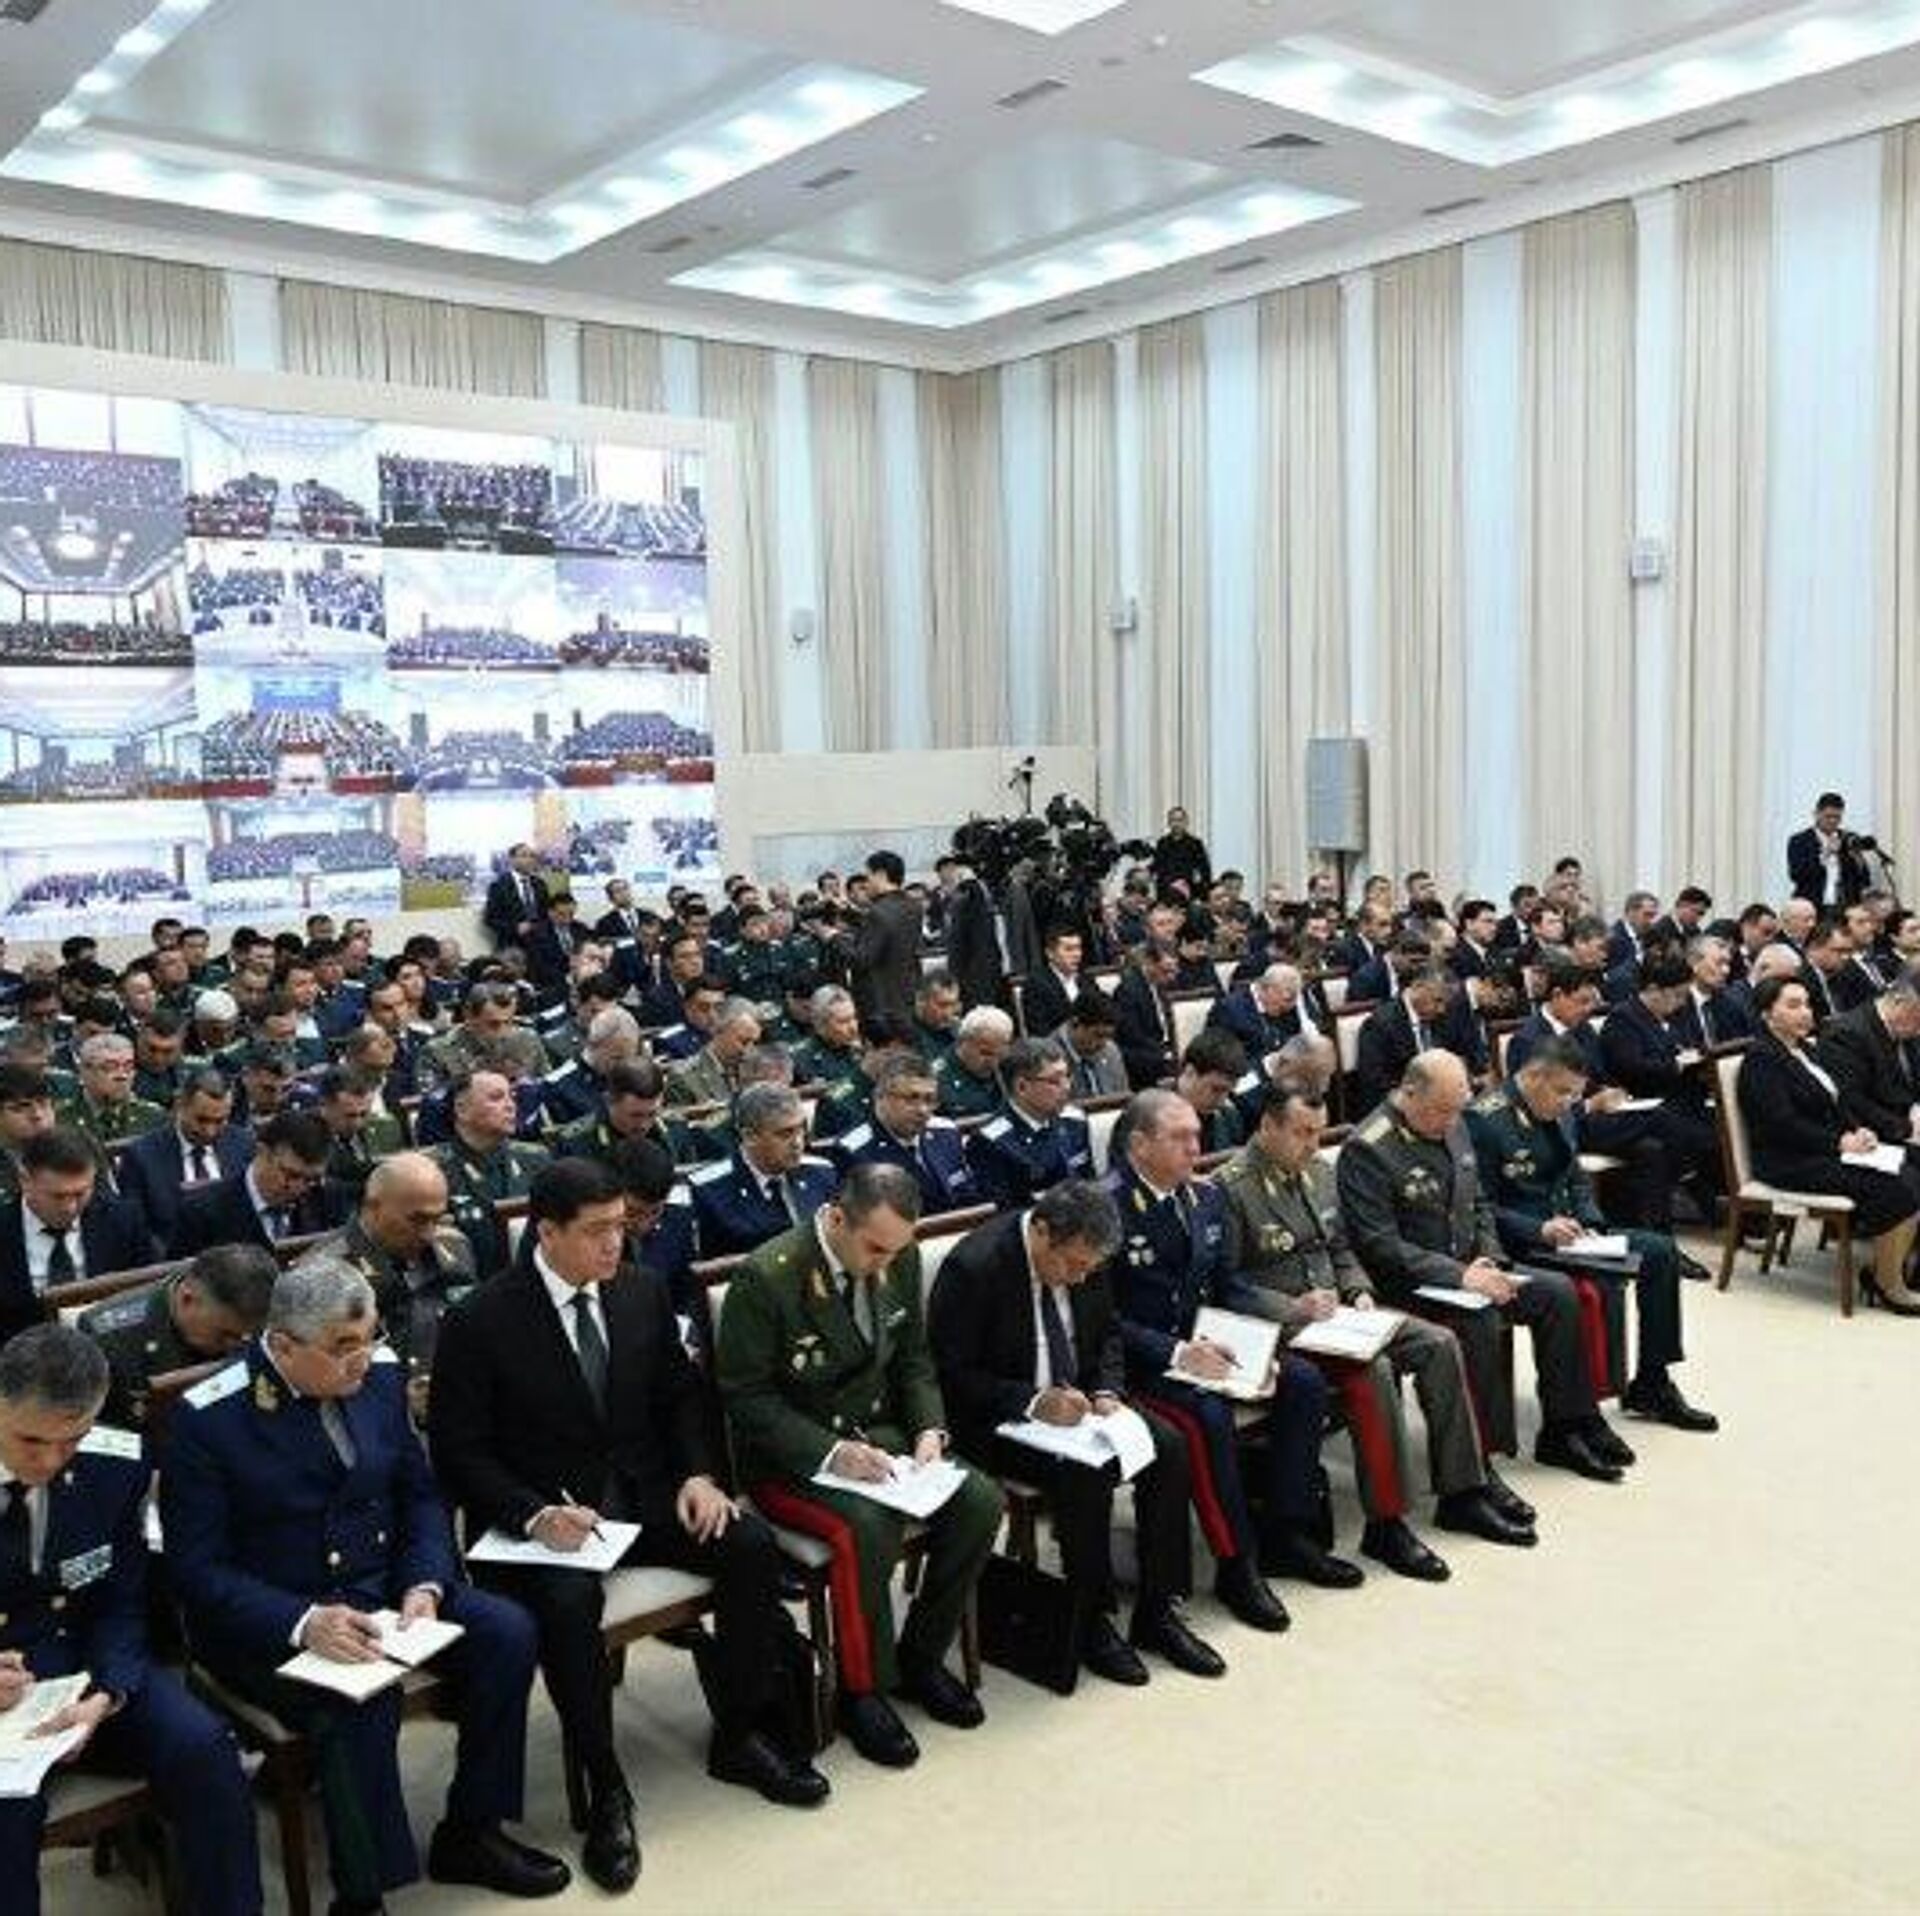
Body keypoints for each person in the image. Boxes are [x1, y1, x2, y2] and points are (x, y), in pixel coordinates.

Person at [431, 1160, 826, 1893]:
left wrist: (700, 1475)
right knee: (567, 1604)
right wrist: (533, 1513)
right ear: (547, 1233)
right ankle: (606, 1786)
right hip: (543, 1519)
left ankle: (740, 1732)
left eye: (621, 1226)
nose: (616, 1243)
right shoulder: (481, 1319)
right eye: (597, 1231)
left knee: (746, 1544)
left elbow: (681, 1399)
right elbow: (460, 1451)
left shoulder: (639, 1291)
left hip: (643, 1498)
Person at [161, 1260, 569, 1910]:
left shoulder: (378, 1375)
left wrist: (426, 1581)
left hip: (384, 1587)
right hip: (272, 1618)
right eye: (343, 1347)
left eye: (370, 1337)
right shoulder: (208, 1419)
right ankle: (362, 1895)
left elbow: (420, 1494)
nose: (363, 1358)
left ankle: (472, 1830)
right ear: (283, 1345)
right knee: (359, 1702)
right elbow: (197, 1571)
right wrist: (303, 1623)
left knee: (507, 1632)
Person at [717, 1163, 1002, 1770]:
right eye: (874, 1249)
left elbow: (913, 1357)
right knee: (864, 1527)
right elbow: (746, 1399)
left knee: (980, 1501)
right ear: (837, 1218)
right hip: (792, 1457)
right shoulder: (769, 1277)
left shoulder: (895, 1251)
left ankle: (921, 1657)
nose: (884, 1263)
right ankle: (862, 1689)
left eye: (895, 1250)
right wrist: (831, 1453)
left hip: (880, 1434)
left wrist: (928, 1430)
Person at [1217, 1084, 1531, 1577]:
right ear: (1267, 1127)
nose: (1313, 1144)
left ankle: (1463, 1492)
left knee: (1439, 1342)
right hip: (1285, 1329)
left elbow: (1340, 1248)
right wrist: (1293, 1307)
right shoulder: (1231, 1188)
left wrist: (1358, 1290)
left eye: (1318, 1133)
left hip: (1341, 1315)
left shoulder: (1318, 1173)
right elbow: (1226, 1286)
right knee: (1376, 1371)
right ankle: (1387, 1523)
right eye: (1301, 1132)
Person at [0, 1325, 261, 1916]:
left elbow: (121, 1599)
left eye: (71, 1439)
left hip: (85, 1666)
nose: (50, 1460)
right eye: (30, 1439)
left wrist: (108, 1691)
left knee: (204, 1749)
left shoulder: (117, 1464)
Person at [928, 1180, 1226, 1684]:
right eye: (1073, 1265)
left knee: (1169, 1447)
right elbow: (953, 1375)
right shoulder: (974, 1267)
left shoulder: (1086, 1254)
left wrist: (1108, 1390)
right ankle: (1091, 1616)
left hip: (1081, 1405)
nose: (1081, 1277)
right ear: (1042, 1232)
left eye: (1090, 1268)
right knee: (1086, 1473)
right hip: (1003, 1420)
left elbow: (1108, 1333)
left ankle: (1158, 1609)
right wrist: (1033, 1401)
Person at [1108, 1088, 1352, 1629]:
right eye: (1179, 1138)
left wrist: (1261, 1345)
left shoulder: (1204, 1197)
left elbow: (1228, 1288)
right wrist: (1177, 1352)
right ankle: (1236, 1562)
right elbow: (1102, 1319)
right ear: (1139, 1144)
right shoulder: (1109, 1207)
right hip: (1145, 1362)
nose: (1196, 1149)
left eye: (1197, 1136)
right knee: (1208, 1416)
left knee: (1303, 1381)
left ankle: (1287, 1530)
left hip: (1208, 1344)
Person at [1337, 1051, 1626, 1486]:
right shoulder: (1369, 1148)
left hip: (1470, 1267)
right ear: (1408, 1093)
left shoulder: (1452, 1122)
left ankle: (1565, 1428)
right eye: (1442, 1111)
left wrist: (1490, 1257)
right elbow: (1379, 1245)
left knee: (1558, 1293)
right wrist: (1460, 1275)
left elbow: (1479, 1202)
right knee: (1480, 1320)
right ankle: (1478, 1464)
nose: (1452, 1122)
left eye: (1457, 1110)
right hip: (1411, 1284)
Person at [1467, 1039, 1718, 1432]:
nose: (1570, 1102)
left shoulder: (1561, 1108)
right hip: (1522, 1242)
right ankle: (1579, 1411)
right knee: (1598, 1283)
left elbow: (1576, 1177)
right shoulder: (1484, 1120)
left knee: (1660, 1252)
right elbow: (1478, 1207)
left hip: (1570, 1234)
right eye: (1563, 1092)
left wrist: (1592, 1223)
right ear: (1533, 1077)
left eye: (1575, 1094)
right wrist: (1539, 1229)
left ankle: (1653, 1383)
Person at [1737, 975, 1920, 1311]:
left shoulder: (1805, 1049)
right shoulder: (1761, 1058)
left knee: (1911, 1164)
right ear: (1767, 1014)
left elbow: (1838, 1102)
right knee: (1896, 1186)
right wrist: (1840, 1142)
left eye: (1807, 1004)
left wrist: (1859, 1130)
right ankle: (1888, 1284)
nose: (1805, 1012)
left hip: (1821, 1149)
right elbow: (1782, 1125)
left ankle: (1890, 1268)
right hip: (1787, 1161)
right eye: (1793, 1005)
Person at [300, 1152, 478, 1401]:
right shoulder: (322, 1272)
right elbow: (314, 1375)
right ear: (373, 1207)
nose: (429, 1234)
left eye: (437, 1219)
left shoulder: (454, 1248)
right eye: (417, 1220)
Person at [79, 1241, 277, 1427]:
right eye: (226, 1334)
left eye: (249, 1335)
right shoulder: (112, 1340)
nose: (238, 1344)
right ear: (187, 1299)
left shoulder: (266, 1313)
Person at [0, 1127, 151, 1342]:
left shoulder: (123, 1222)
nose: (70, 1208)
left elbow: (147, 1299)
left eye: (80, 1193)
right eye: (57, 1196)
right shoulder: (6, 1229)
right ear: (25, 1180)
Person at [167, 1108, 346, 1257]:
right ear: (262, 1152)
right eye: (291, 1175)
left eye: (311, 1179)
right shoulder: (202, 1212)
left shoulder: (325, 1198)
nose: (298, 1188)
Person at [687, 1084, 838, 1258]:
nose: (798, 1143)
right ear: (750, 1136)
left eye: (801, 1129)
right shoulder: (706, 1189)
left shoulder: (821, 1172)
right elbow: (699, 1265)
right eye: (785, 1134)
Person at [424, 1069, 551, 1277]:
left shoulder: (537, 1157)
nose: (511, 1106)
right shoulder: (430, 1168)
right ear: (462, 1110)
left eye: (512, 1096)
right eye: (496, 1098)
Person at [114, 1066, 253, 1250]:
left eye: (220, 1121)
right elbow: (136, 1229)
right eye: (202, 1120)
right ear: (180, 1104)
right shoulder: (141, 1156)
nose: (209, 1131)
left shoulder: (242, 1144)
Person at [827, 1051, 979, 1213]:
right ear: (880, 1097)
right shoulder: (852, 1151)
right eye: (911, 1098)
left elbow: (967, 1194)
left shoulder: (945, 1132)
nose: (923, 1110)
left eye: (930, 1099)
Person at [966, 1039, 1094, 1210]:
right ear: (1022, 1087)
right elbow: (1002, 1215)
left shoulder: (1074, 1121)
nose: (1067, 1087)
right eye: (1055, 1080)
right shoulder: (990, 1141)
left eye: (1067, 1076)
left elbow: (1089, 1185)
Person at [850, 850, 923, 1035]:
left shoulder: (877, 912)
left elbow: (862, 959)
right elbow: (890, 930)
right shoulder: (913, 906)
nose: (866, 884)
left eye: (868, 877)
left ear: (881, 875)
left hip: (881, 1008)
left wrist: (832, 936)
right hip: (906, 998)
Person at [1788, 792, 1871, 908]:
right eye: (1828, 816)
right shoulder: (1799, 840)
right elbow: (1796, 875)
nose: (1833, 821)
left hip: (1846, 905)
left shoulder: (1849, 839)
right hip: (1812, 906)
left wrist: (1858, 859)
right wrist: (1826, 853)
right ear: (1816, 814)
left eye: (1837, 817)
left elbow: (1865, 880)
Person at [933, 1007, 1014, 1118]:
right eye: (986, 1053)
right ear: (963, 1042)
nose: (994, 1062)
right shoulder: (938, 1078)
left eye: (1000, 1055)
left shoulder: (1009, 1066)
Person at [484, 843, 552, 949]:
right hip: (512, 943)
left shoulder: (540, 884)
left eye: (532, 856)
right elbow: (490, 919)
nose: (529, 860)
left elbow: (547, 913)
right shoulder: (499, 885)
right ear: (512, 860)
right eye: (524, 855)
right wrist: (515, 928)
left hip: (540, 942)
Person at [1151, 807, 1211, 901]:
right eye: (1173, 820)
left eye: (1180, 820)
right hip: (1165, 890)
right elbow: (1157, 865)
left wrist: (1202, 895)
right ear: (1168, 823)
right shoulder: (1162, 843)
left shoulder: (1195, 843)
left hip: (1187, 891)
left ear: (1186, 822)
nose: (1176, 824)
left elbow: (1204, 870)